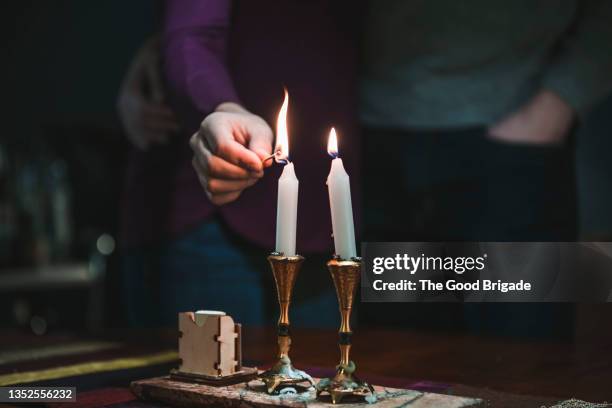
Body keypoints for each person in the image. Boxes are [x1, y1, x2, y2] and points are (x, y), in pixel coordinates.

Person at [359, 0, 612, 335]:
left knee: (523, 354)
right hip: (377, 133)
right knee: (398, 356)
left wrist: (557, 105)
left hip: (516, 139)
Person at [117, 0, 360, 327]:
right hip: (210, 221)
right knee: (211, 370)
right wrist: (224, 105)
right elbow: (193, 32)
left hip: (329, 226)